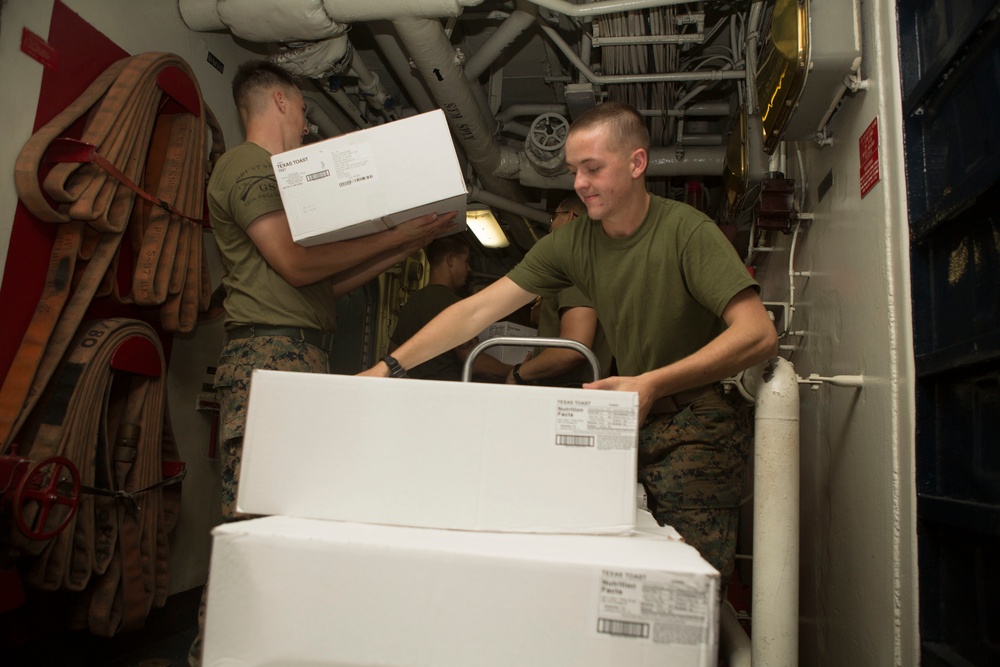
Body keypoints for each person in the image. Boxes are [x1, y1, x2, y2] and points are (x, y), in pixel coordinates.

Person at [362, 101, 778, 593]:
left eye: (592, 168)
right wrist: (390, 366)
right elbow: (474, 312)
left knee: (686, 593)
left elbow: (757, 334)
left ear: (637, 163)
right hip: (632, 423)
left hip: (698, 423)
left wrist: (653, 382)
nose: (579, 184)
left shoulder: (687, 232)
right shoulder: (573, 243)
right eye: (573, 171)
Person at [189, 59, 455, 666]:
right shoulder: (249, 165)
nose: (307, 122)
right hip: (270, 358)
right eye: (306, 109)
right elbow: (297, 262)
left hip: (296, 353)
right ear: (281, 101)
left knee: (286, 525)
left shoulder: (275, 180)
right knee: (253, 530)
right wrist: (395, 236)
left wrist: (413, 239)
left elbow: (320, 287)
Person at [506, 194, 613, 387]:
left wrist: (518, 373)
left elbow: (573, 349)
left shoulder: (574, 266)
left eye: (553, 217)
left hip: (569, 393)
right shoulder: (595, 264)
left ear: (570, 217)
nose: (550, 226)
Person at [390, 234, 511, 381]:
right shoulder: (455, 306)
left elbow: (393, 356)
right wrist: (518, 370)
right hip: (445, 394)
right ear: (451, 260)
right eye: (466, 261)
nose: (469, 269)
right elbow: (476, 363)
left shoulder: (411, 302)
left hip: (414, 394)